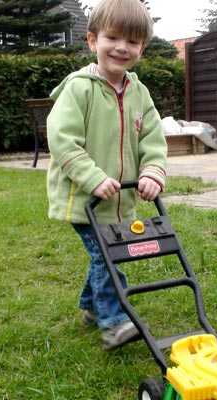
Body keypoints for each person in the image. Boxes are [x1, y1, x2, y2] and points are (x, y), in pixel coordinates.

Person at [45, 0, 168, 351]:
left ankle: (90, 306)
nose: (122, 48)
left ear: (142, 48)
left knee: (106, 253)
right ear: (92, 40)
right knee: (108, 255)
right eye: (112, 37)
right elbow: (63, 140)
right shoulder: (78, 89)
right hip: (85, 198)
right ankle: (114, 321)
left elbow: (153, 139)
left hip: (122, 198)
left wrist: (152, 171)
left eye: (132, 42)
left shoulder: (139, 93)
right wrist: (93, 178)